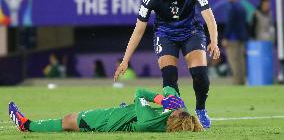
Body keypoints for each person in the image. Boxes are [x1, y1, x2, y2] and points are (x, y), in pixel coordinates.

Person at [114, 0, 220, 129]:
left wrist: (213, 41)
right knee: (169, 77)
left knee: (200, 75)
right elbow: (138, 30)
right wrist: (125, 60)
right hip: (165, 35)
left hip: (191, 32)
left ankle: (200, 109)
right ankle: (177, 113)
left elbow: (209, 18)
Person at [9, 87, 203, 133]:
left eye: (175, 111)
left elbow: (140, 93)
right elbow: (171, 88)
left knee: (69, 120)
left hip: (108, 122)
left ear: (173, 120)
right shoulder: (176, 117)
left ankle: (26, 125)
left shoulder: (149, 123)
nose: (174, 110)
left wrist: (161, 100)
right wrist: (172, 99)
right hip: (121, 113)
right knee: (70, 119)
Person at [222, 0, 248, 85]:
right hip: (241, 38)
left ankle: (237, 81)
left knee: (233, 60)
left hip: (233, 38)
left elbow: (230, 24)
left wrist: (226, 37)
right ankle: (242, 80)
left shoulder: (233, 8)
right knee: (241, 60)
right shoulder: (242, 7)